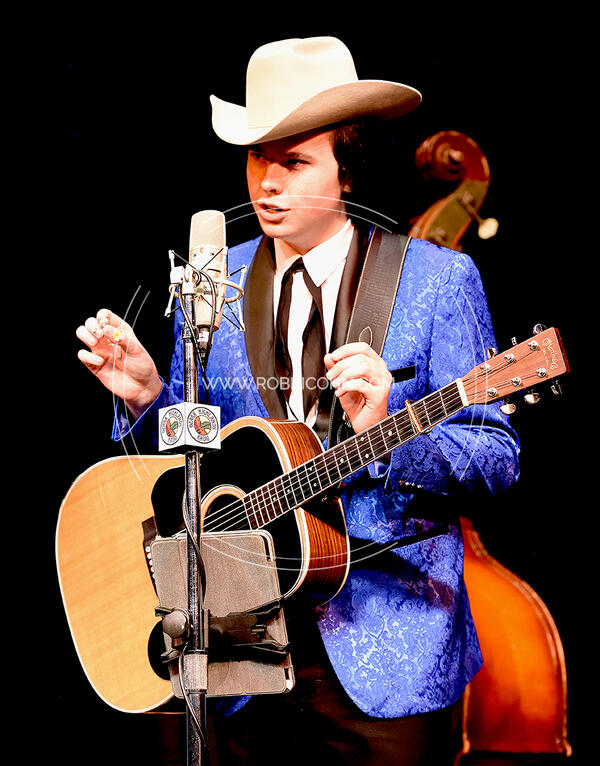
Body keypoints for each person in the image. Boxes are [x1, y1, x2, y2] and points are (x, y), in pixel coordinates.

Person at [76, 37, 520, 766]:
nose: (268, 184)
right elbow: (200, 461)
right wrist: (151, 398)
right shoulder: (211, 282)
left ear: (348, 167)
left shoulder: (437, 281)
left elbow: (496, 461)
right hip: (239, 647)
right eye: (258, 158)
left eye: (295, 162)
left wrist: (394, 434)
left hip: (389, 652)